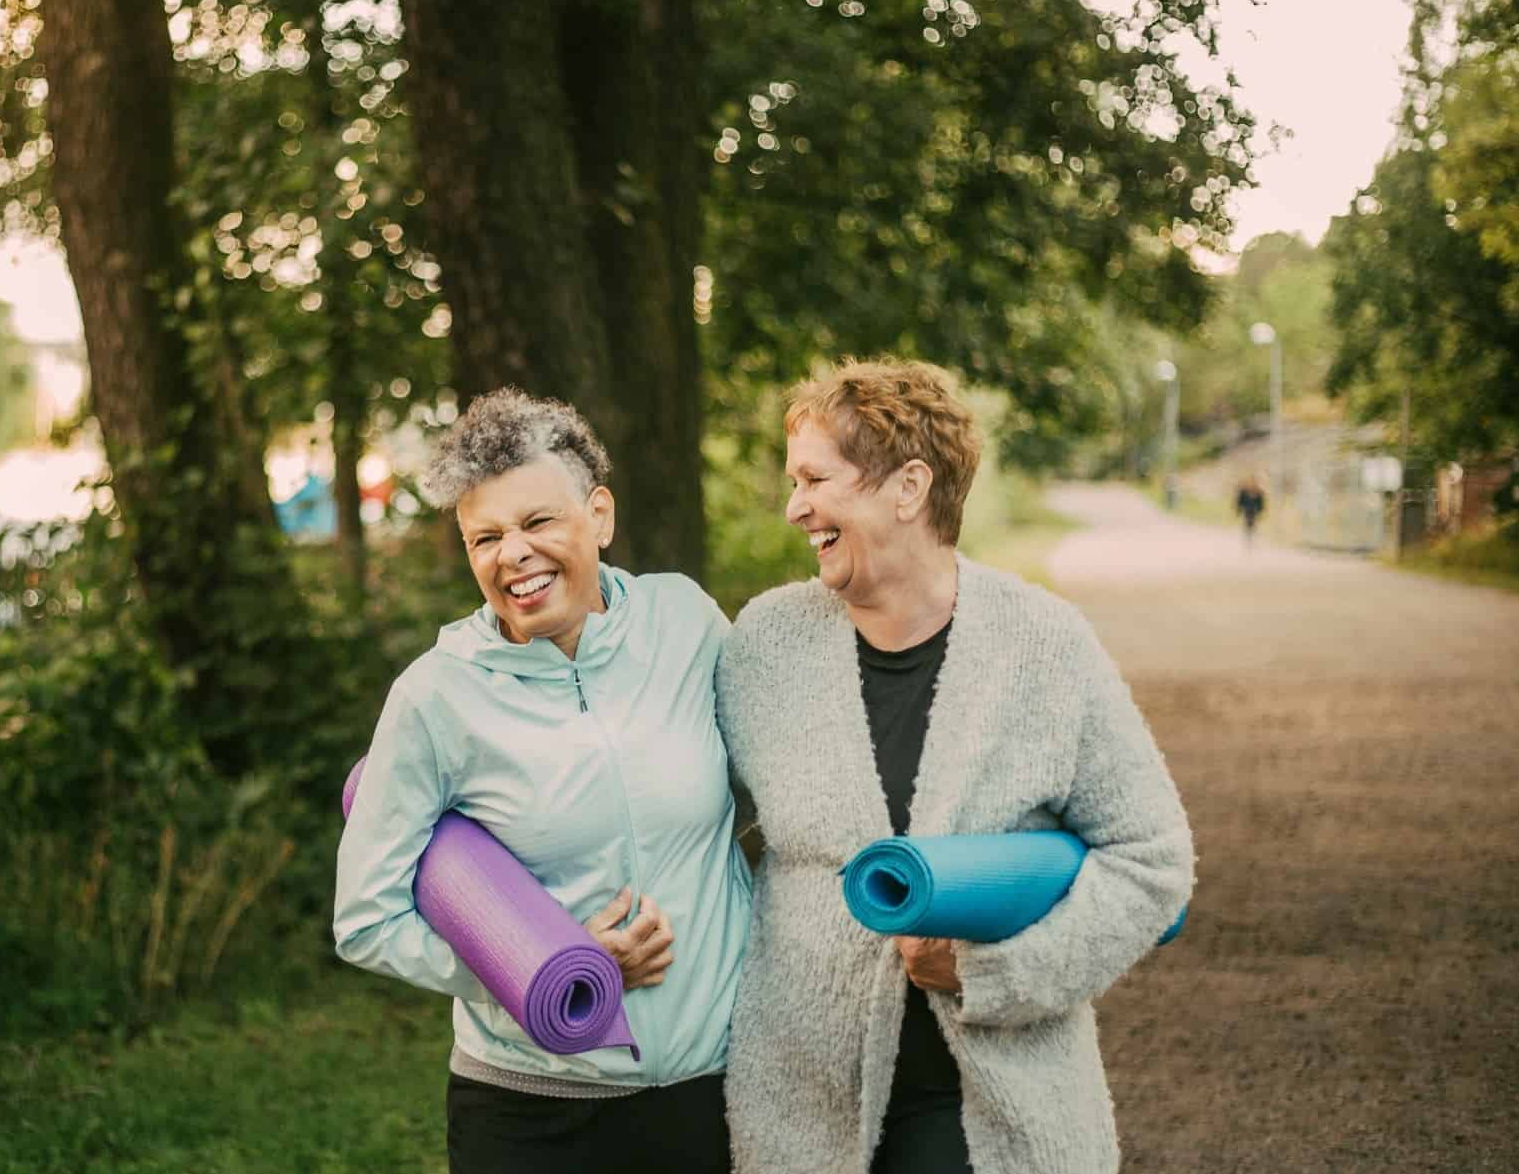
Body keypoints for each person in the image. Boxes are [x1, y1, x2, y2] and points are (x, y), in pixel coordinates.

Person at [717, 359, 1194, 1174]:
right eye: (791, 481)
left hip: (993, 1104)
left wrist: (994, 973)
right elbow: (689, 820)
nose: (794, 506)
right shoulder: (763, 644)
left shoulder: (1044, 645)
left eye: (815, 478)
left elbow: (1152, 861)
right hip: (802, 1107)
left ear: (907, 487)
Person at [333, 388, 752, 1174]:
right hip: (531, 1113)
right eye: (483, 537)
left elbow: (773, 790)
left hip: (712, 1091)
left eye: (535, 522)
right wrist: (543, 968)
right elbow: (364, 918)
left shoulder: (685, 622)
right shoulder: (434, 696)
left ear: (599, 514)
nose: (510, 555)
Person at [1235, 476, 1267, 548]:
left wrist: (1261, 511)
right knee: (1247, 524)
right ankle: (1248, 539)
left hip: (1255, 511)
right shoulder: (1244, 491)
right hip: (1246, 510)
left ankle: (1252, 539)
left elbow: (1261, 503)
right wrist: (1239, 510)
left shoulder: (1259, 492)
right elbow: (1240, 501)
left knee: (1254, 525)